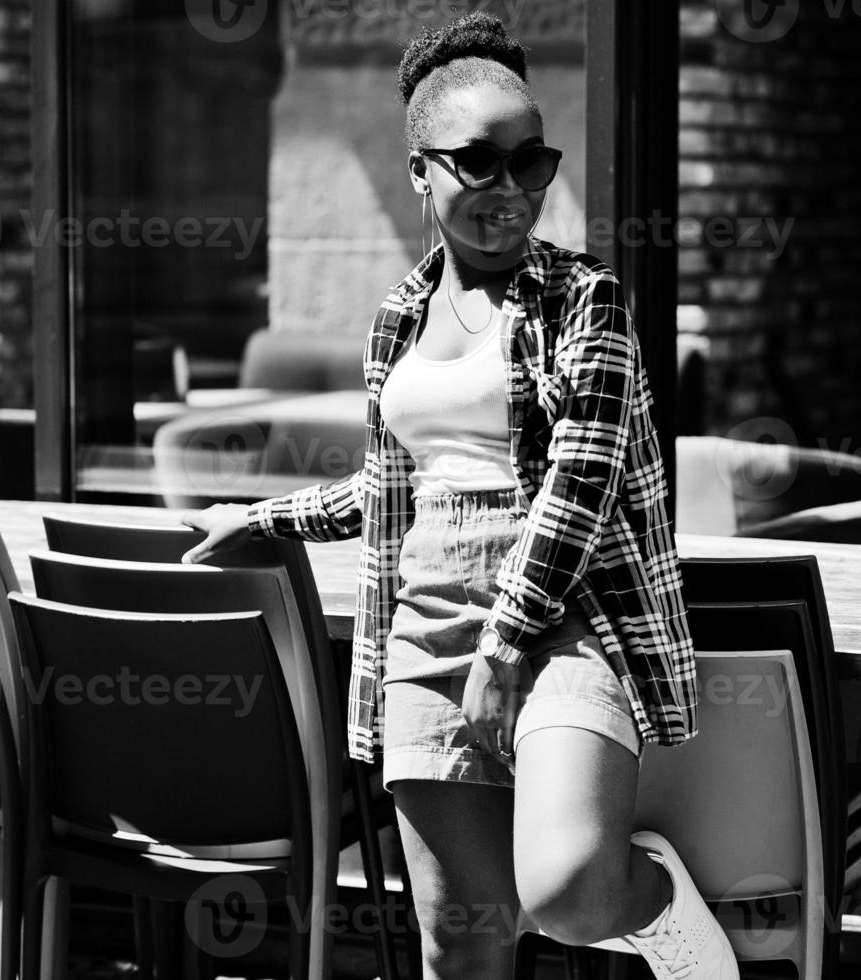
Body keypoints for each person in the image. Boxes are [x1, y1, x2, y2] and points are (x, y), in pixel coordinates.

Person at [181, 13, 737, 980]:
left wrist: (508, 641)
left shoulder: (585, 299)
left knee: (565, 895)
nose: (509, 189)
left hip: (563, 618)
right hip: (420, 626)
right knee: (461, 939)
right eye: (478, 162)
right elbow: (395, 484)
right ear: (419, 171)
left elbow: (581, 482)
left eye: (531, 162)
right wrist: (262, 518)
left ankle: (655, 904)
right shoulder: (397, 317)